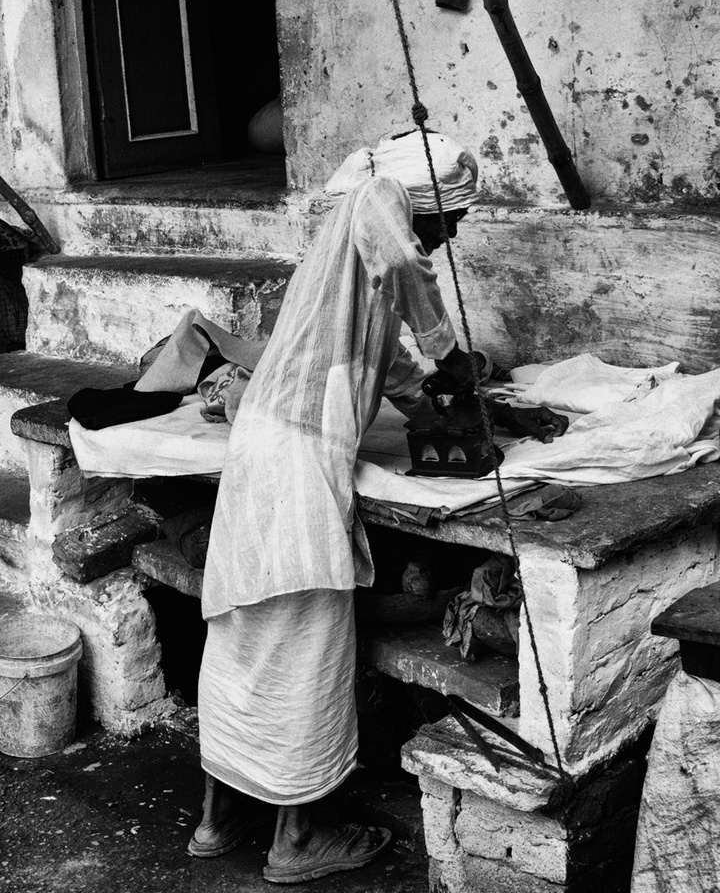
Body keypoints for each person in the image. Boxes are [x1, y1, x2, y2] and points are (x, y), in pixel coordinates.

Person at [189, 127, 566, 884]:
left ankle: (215, 821)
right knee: (302, 646)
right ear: (416, 202)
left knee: (245, 643)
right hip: (293, 468)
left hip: (268, 457)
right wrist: (451, 349)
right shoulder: (376, 200)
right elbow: (404, 259)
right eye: (449, 219)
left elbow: (397, 373)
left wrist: (469, 398)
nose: (451, 233)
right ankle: (295, 842)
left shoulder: (351, 282)